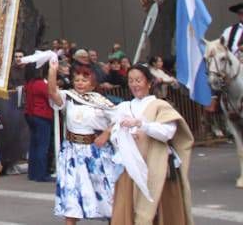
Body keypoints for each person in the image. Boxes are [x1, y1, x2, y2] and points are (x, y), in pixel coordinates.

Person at [109, 64, 194, 223]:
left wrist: (142, 125)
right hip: (131, 167)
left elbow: (167, 133)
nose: (135, 84)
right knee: (129, 210)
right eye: (131, 80)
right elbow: (114, 135)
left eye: (138, 80)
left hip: (157, 166)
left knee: (158, 211)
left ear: (149, 83)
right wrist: (122, 135)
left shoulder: (161, 106)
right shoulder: (124, 107)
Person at [46, 58, 118, 222]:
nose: (80, 83)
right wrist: (52, 70)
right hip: (72, 153)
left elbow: (119, 120)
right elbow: (52, 93)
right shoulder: (69, 97)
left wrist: (106, 134)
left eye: (84, 80)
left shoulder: (101, 101)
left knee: (106, 195)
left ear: (93, 83)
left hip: (95, 153)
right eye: (77, 79)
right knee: (71, 196)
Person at [22, 63, 54, 182]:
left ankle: (33, 173)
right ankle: (41, 174)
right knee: (42, 146)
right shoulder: (40, 84)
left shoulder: (28, 83)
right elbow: (51, 95)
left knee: (34, 145)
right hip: (42, 115)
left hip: (30, 114)